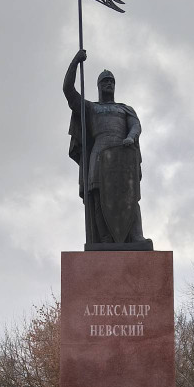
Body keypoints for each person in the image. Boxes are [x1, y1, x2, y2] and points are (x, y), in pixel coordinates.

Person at [64, 49, 147, 245]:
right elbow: (68, 90)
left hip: (122, 154)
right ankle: (105, 239)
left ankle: (136, 236)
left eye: (111, 81)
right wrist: (75, 61)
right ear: (99, 86)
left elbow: (136, 125)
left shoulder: (124, 108)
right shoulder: (91, 108)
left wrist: (130, 137)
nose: (109, 84)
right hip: (99, 153)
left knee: (130, 193)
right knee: (98, 194)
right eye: (105, 81)